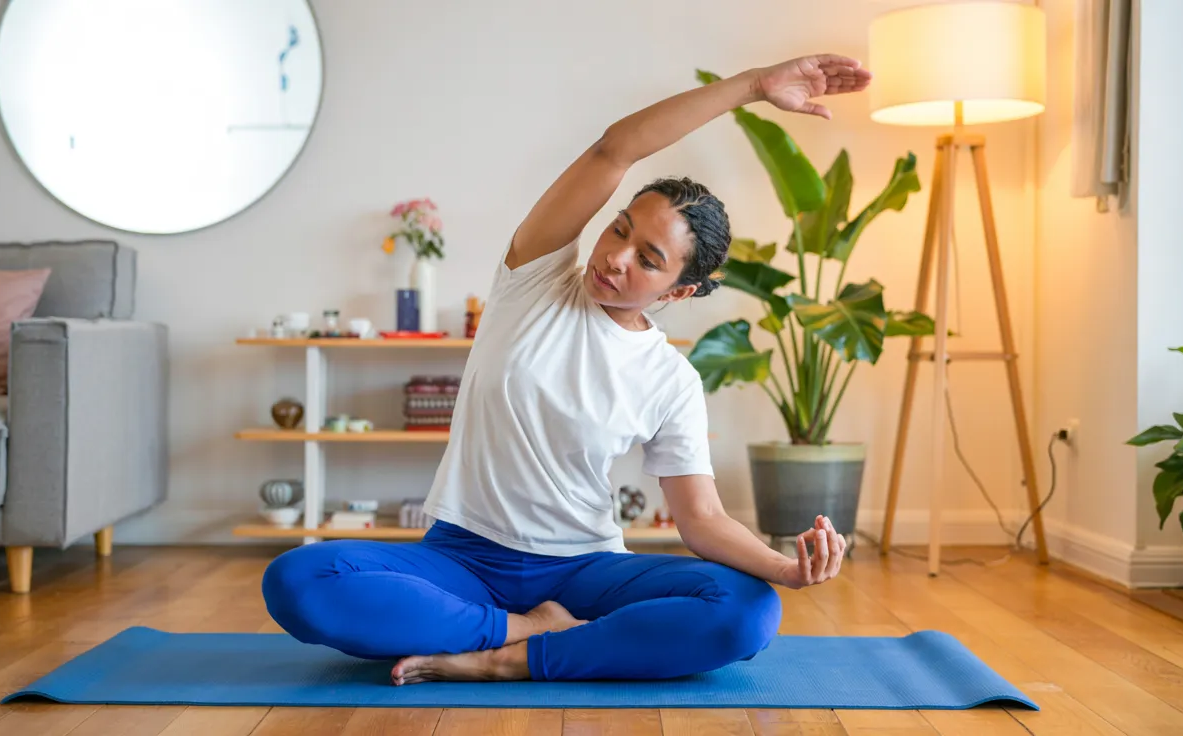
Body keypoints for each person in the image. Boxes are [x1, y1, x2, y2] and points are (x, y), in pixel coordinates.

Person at [262, 54, 871, 685]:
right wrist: (751, 87)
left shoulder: (670, 379)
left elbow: (702, 519)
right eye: (619, 230)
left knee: (746, 613)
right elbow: (614, 152)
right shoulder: (535, 278)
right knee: (299, 580)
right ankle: (529, 633)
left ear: (679, 291)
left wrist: (786, 569)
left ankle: (501, 658)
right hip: (461, 557)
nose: (614, 257)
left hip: (585, 570)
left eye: (649, 258)